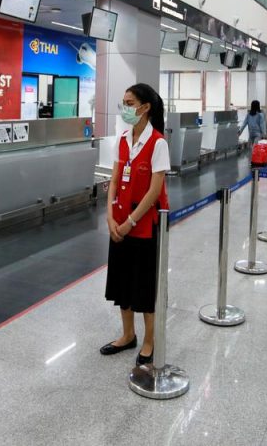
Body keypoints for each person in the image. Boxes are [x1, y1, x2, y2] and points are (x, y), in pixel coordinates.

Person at [101, 83, 170, 367]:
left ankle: (149, 341)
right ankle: (127, 334)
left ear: (145, 108)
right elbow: (115, 180)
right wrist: (109, 215)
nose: (125, 108)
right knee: (123, 283)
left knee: (143, 285)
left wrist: (130, 222)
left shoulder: (158, 143)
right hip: (119, 223)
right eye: (124, 102)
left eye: (129, 103)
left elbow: (155, 191)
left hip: (143, 225)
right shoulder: (123, 139)